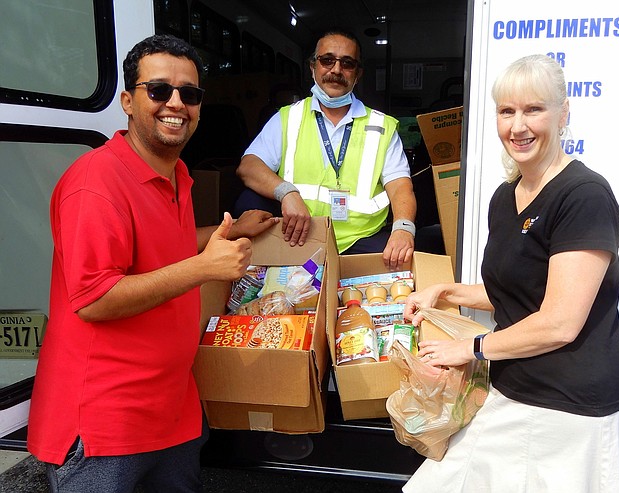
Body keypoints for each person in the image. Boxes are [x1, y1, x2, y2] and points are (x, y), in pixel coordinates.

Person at [26, 34, 277, 493]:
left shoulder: (175, 173)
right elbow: (94, 299)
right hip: (106, 426)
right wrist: (205, 268)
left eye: (190, 93)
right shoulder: (95, 183)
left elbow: (165, 246)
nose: (176, 104)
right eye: (159, 90)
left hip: (171, 409)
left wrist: (232, 230)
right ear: (127, 100)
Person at [401, 54, 619, 492]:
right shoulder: (505, 195)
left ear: (564, 113)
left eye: (534, 109)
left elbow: (559, 323)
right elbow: (519, 293)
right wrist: (447, 292)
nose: (518, 126)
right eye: (507, 111)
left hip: (571, 409)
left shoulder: (584, 196)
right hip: (514, 387)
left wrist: (471, 347)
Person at [235, 27, 417, 269]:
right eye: (327, 60)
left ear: (357, 74)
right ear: (313, 67)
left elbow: (400, 186)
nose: (336, 70)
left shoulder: (381, 125)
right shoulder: (289, 117)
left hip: (360, 239)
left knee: (402, 261)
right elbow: (248, 167)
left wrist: (404, 230)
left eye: (347, 63)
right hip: (297, 235)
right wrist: (287, 193)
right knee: (246, 201)